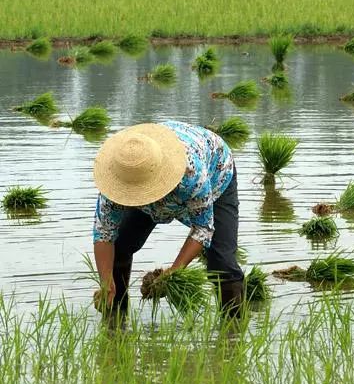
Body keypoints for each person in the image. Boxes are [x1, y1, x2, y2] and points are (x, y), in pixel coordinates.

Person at [91, 120, 244, 318]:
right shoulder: (118, 177)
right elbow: (104, 233)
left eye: (144, 191)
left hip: (216, 174)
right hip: (147, 182)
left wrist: (173, 273)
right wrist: (105, 282)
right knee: (119, 246)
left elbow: (202, 229)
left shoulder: (190, 175)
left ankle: (233, 333)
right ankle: (115, 321)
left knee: (221, 260)